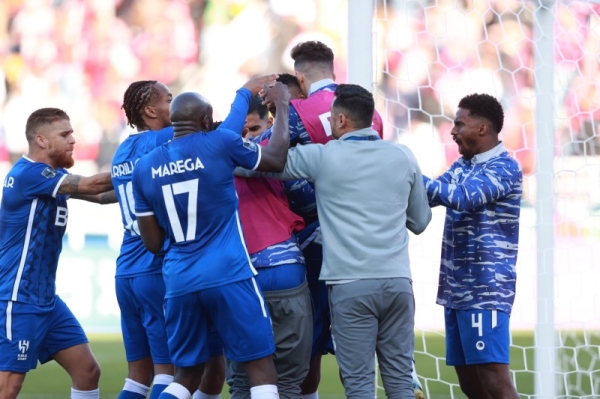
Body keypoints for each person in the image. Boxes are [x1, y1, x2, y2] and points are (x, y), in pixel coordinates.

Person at [240, 83, 432, 398]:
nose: (328, 125)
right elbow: (421, 222)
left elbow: (258, 163)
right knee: (400, 382)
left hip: (350, 285)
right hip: (398, 282)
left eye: (330, 119)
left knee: (359, 385)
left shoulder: (322, 157)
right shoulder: (403, 156)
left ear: (341, 121)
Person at [114, 77, 279, 399]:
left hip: (166, 274)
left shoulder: (130, 154)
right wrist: (246, 94)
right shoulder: (184, 141)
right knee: (260, 368)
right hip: (217, 272)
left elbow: (152, 237)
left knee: (182, 374)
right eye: (167, 98)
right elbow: (227, 136)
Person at [0, 108, 116, 399]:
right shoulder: (29, 174)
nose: (73, 140)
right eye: (65, 134)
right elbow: (92, 184)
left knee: (88, 371)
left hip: (46, 300)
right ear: (41, 140)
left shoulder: (54, 177)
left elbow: (101, 197)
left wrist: (152, 184)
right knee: (9, 386)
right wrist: (144, 167)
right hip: (18, 297)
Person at [422, 93, 522, 399]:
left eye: (459, 123)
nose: (453, 131)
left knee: (495, 381)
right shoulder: (463, 164)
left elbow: (462, 198)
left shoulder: (505, 167)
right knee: (470, 384)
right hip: (456, 290)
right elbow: (431, 195)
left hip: (485, 290)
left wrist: (406, 171)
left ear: (482, 128)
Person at [228, 95, 313, 399]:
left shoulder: (211, 162)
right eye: (243, 132)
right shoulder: (269, 155)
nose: (248, 137)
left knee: (242, 380)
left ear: (266, 124)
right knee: (287, 381)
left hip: (239, 277)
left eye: (254, 129)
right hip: (280, 269)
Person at [112, 80, 176, 399]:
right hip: (154, 268)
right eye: (170, 99)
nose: (175, 106)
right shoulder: (163, 140)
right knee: (170, 372)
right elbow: (205, 127)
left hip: (125, 271)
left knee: (138, 376)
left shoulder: (123, 149)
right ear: (151, 110)